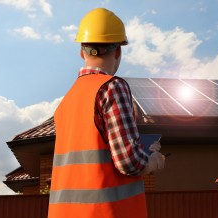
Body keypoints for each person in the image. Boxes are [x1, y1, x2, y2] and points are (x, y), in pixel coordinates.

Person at [48, 8, 165, 218]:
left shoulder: (67, 101)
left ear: (81, 51)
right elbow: (129, 162)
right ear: (118, 51)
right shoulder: (112, 87)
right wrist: (153, 160)